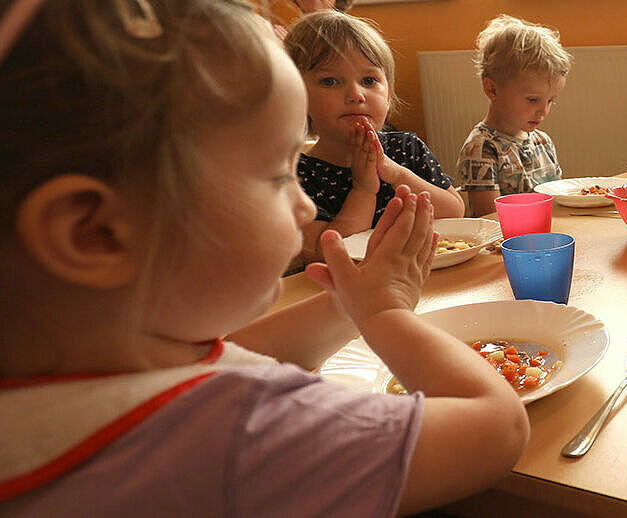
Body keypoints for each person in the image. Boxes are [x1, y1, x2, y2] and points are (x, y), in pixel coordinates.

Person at [0, 1, 528, 515]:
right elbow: (497, 428)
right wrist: (385, 313)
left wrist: (347, 304)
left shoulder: (76, 378)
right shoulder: (239, 433)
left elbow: (231, 353)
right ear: (96, 234)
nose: (302, 204)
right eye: (278, 174)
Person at [284, 10, 464, 264]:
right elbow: (327, 252)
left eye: (369, 80)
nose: (356, 94)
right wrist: (364, 189)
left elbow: (455, 212)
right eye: (330, 81)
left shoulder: (405, 148)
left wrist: (394, 172)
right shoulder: (298, 174)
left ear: (388, 97)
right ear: (297, 96)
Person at [457, 14, 572, 217]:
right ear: (492, 89)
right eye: (532, 100)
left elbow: (558, 204)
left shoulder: (542, 142)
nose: (543, 111)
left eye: (550, 100)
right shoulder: (482, 149)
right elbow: (491, 219)